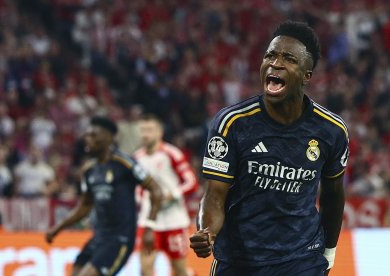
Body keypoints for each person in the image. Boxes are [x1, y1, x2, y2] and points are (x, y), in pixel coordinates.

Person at [189, 21, 349, 276]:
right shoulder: (232, 123)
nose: (275, 63)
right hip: (239, 261)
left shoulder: (331, 130)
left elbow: (333, 196)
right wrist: (207, 231)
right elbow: (215, 195)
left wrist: (329, 253)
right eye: (270, 55)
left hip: (302, 260)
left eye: (288, 59)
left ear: (307, 75)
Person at [45, 116, 162, 276]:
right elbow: (84, 206)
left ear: (109, 138)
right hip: (99, 238)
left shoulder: (125, 163)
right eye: (87, 135)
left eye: (94, 135)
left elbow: (156, 190)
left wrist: (150, 227)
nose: (88, 139)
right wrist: (58, 228)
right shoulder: (89, 170)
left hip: (119, 239)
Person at [135, 114, 199, 276]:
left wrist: (173, 194)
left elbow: (191, 182)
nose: (145, 134)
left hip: (174, 221)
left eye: (149, 130)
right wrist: (142, 199)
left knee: (179, 270)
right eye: (142, 130)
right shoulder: (137, 158)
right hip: (149, 222)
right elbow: (136, 188)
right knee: (145, 269)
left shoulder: (172, 154)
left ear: (159, 132)